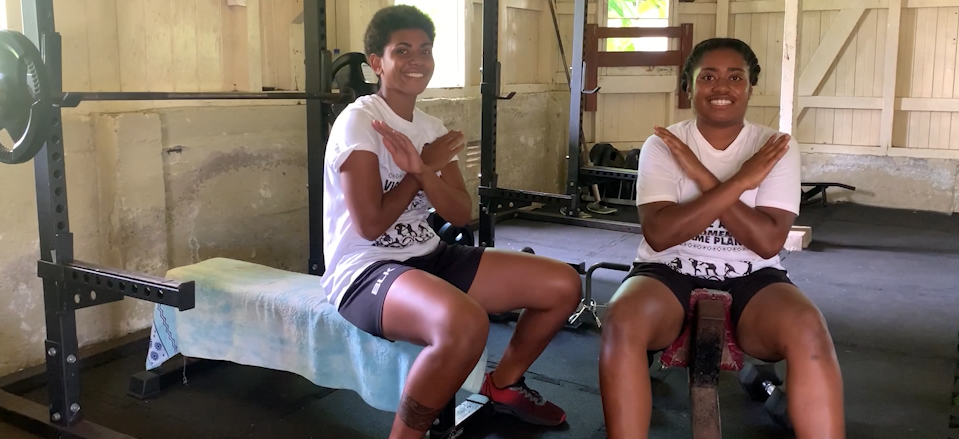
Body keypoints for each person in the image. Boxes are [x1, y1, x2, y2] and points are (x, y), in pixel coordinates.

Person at [321, 5, 582, 439]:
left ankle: (503, 385)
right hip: (365, 270)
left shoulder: (431, 127)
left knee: (562, 285)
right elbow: (370, 225)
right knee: (465, 324)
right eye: (401, 50)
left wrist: (425, 170)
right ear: (376, 63)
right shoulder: (360, 122)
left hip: (431, 254)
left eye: (425, 49)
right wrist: (421, 167)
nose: (416, 60)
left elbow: (461, 213)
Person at [598, 38, 845, 439]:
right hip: (666, 270)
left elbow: (767, 242)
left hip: (754, 276)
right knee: (621, 320)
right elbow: (661, 236)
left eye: (736, 77)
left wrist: (704, 177)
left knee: (809, 328)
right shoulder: (662, 144)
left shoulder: (775, 146)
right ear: (689, 86)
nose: (722, 87)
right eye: (708, 76)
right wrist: (743, 181)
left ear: (750, 86)